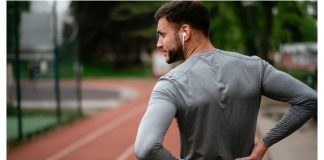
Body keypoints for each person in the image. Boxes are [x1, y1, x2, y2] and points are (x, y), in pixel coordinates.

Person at [134, 1, 317, 160]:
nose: (159, 43)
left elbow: (146, 147)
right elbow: (309, 99)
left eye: (162, 34)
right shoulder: (255, 67)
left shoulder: (171, 83)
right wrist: (263, 145)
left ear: (185, 32)